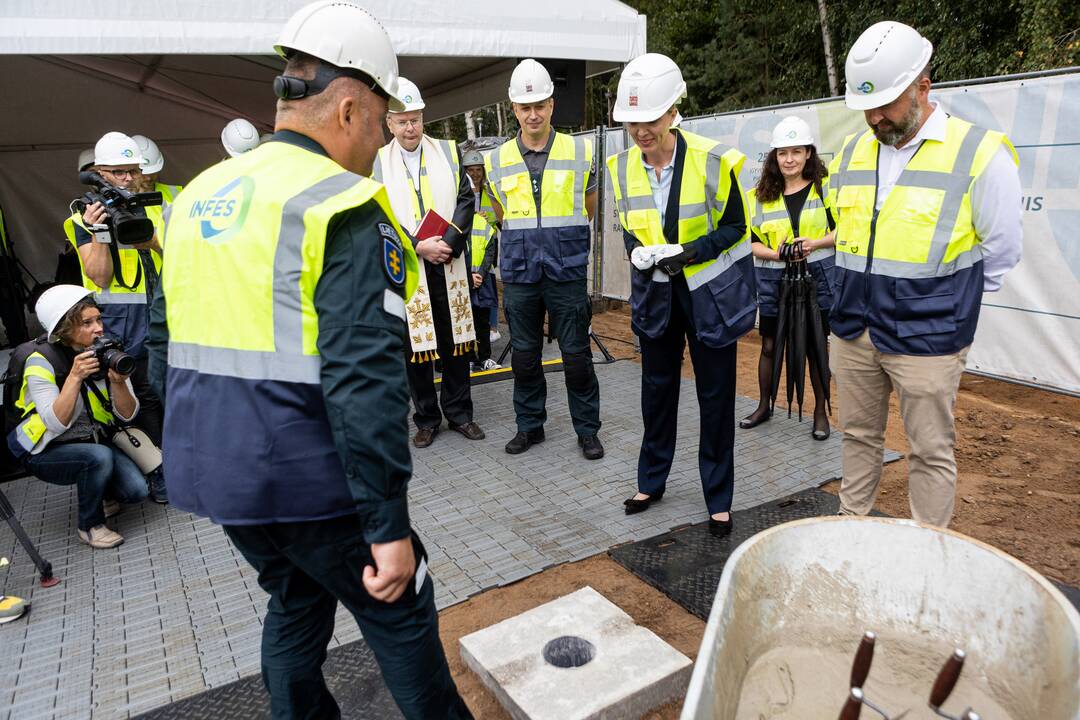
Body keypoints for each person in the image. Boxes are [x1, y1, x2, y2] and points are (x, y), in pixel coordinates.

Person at [147, 2, 472, 717]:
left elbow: (160, 348)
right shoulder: (343, 203)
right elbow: (366, 382)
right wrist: (387, 527)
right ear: (353, 107)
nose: (384, 138)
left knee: (295, 600)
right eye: (385, 119)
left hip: (214, 472)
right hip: (309, 477)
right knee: (400, 612)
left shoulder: (199, 194)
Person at [829, 21, 1022, 527]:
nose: (875, 117)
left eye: (887, 104)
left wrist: (946, 302)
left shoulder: (979, 152)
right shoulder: (852, 152)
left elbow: (1000, 251)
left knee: (930, 451)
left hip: (930, 335)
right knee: (858, 436)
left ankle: (927, 553)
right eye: (866, 107)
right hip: (854, 328)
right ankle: (852, 527)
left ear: (923, 84)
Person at [606, 54, 755, 534]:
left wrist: (687, 252)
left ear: (673, 111)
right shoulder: (622, 167)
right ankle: (651, 481)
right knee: (656, 391)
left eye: (648, 120)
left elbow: (735, 227)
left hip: (707, 295)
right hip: (656, 295)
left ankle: (718, 496)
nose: (639, 132)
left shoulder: (715, 161)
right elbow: (629, 225)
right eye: (631, 123)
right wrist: (638, 251)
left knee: (715, 397)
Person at [485, 58, 604, 460]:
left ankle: (587, 430)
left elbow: (588, 206)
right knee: (524, 358)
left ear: (552, 105)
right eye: (525, 107)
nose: (533, 114)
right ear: (513, 109)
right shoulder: (495, 160)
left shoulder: (580, 151)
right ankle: (529, 427)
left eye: (540, 105)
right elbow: (498, 211)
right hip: (520, 274)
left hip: (566, 270)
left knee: (576, 358)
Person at [372, 77, 484, 448]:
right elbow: (378, 214)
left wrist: (449, 243)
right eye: (402, 121)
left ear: (423, 118)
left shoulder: (448, 152)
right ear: (389, 122)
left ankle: (460, 414)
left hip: (449, 262)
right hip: (409, 268)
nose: (410, 127)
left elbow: (468, 201)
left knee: (456, 342)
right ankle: (426, 418)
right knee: (415, 348)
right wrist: (418, 245)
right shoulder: (377, 164)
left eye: (416, 119)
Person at [63, 132, 166, 503]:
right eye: (117, 172)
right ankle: (158, 472)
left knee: (171, 386)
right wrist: (100, 230)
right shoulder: (79, 217)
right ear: (98, 173)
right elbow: (101, 276)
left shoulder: (151, 204)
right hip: (122, 319)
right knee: (142, 393)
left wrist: (150, 238)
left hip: (162, 307)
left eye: (132, 170)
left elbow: (174, 250)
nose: (127, 179)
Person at [5, 285, 149, 548]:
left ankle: (98, 487)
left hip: (92, 439)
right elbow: (55, 423)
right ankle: (90, 525)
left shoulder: (105, 350)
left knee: (137, 491)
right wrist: (74, 376)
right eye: (87, 323)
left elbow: (128, 414)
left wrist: (118, 383)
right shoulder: (41, 361)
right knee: (97, 458)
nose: (99, 328)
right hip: (46, 449)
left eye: (98, 319)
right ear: (63, 329)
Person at [742, 115, 836, 439]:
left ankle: (820, 414)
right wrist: (777, 254)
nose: (790, 159)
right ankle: (764, 405)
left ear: (809, 153)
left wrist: (815, 243)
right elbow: (750, 242)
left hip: (818, 277)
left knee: (815, 346)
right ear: (774, 157)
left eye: (796, 151)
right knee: (769, 344)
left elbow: (845, 231)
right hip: (772, 280)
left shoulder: (825, 189)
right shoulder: (759, 195)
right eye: (783, 153)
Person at [462, 149, 500, 371]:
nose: (475, 174)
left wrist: (489, 219)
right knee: (466, 316)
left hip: (485, 259)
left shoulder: (489, 192)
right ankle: (468, 357)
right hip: (466, 263)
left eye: (478, 170)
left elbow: (499, 217)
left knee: (484, 311)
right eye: (471, 170)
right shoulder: (457, 194)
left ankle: (485, 354)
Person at [132, 134, 184, 243]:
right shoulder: (117, 200)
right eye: (143, 173)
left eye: (153, 172)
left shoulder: (178, 193)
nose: (149, 178)